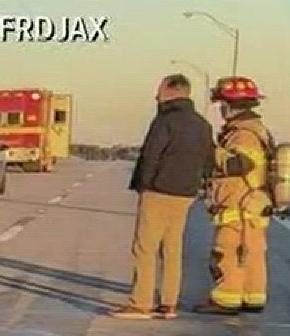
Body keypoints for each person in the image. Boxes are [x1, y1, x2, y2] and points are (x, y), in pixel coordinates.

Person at [115, 74, 215, 319]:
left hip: (158, 191)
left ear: (172, 91)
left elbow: (151, 156)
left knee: (145, 248)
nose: (156, 95)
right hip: (185, 194)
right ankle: (169, 303)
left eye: (159, 90)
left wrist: (143, 185)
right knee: (172, 248)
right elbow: (209, 160)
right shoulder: (202, 124)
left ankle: (141, 303)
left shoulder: (164, 121)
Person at [196, 76, 276, 315]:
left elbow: (241, 164)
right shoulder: (256, 130)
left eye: (222, 104)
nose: (221, 109)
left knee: (227, 251)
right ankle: (253, 295)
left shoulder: (243, 134)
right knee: (252, 254)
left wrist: (212, 153)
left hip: (239, 204)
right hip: (253, 204)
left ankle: (226, 298)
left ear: (230, 106)